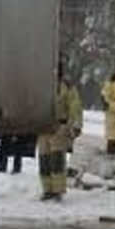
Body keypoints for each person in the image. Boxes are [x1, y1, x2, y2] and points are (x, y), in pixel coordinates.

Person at [38, 59, 83, 201]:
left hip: (59, 127)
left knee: (56, 160)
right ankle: (47, 190)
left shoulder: (66, 87)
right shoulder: (41, 84)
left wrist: (75, 126)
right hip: (43, 127)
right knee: (44, 160)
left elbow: (75, 107)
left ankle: (58, 191)